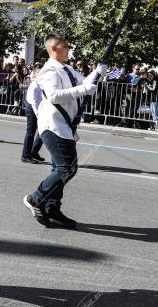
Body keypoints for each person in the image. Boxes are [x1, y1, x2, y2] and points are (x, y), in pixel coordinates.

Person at [23, 34, 106, 229]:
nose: (69, 49)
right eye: (65, 46)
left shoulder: (67, 69)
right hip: (54, 125)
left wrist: (97, 73)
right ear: (53, 48)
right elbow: (53, 96)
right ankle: (35, 198)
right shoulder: (49, 70)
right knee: (67, 168)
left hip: (66, 125)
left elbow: (85, 82)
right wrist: (83, 90)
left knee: (60, 168)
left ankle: (52, 208)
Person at [22, 63, 45, 163]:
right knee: (31, 132)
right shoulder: (35, 85)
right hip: (32, 108)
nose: (41, 74)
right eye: (39, 73)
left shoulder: (41, 83)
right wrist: (39, 115)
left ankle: (34, 151)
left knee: (43, 130)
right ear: (35, 75)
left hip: (39, 108)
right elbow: (34, 102)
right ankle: (25, 156)